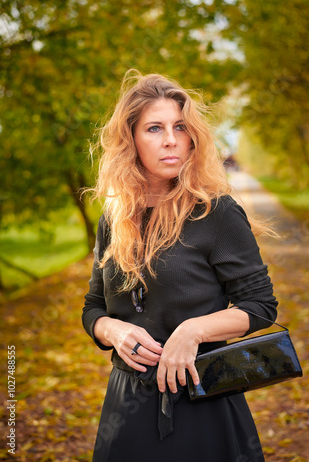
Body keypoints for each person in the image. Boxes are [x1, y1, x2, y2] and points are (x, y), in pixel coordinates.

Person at [82, 69, 278, 462]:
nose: (171, 139)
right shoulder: (114, 216)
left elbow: (261, 307)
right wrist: (112, 330)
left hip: (201, 400)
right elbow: (93, 307)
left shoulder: (216, 213)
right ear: (131, 139)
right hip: (125, 404)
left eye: (180, 127)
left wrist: (192, 331)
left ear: (193, 139)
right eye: (154, 128)